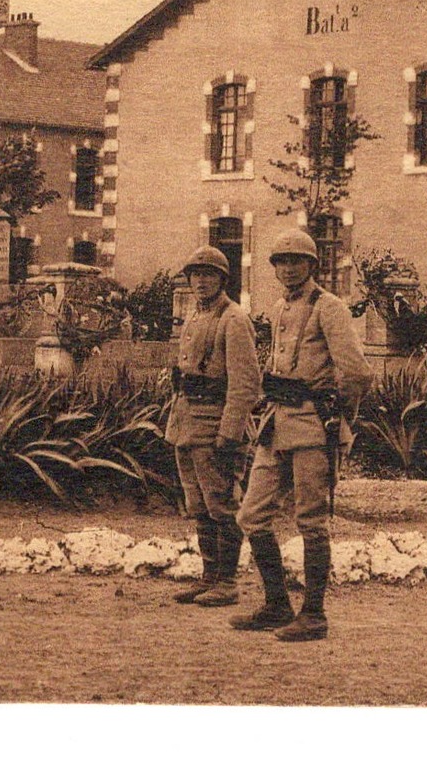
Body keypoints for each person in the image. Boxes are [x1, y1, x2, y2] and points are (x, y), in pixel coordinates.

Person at [230, 227, 370, 641]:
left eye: (297, 261)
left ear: (312, 265)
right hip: (276, 424)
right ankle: (276, 604)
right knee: (252, 514)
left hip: (312, 426)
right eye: (281, 261)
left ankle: (314, 614)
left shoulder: (329, 308)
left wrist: (337, 416)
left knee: (310, 521)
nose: (289, 268)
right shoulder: (278, 310)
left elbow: (358, 372)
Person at [164, 246, 260, 608]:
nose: (201, 281)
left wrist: (230, 432)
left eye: (209, 274)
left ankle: (228, 581)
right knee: (197, 503)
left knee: (221, 502)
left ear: (223, 278)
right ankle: (208, 577)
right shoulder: (195, 315)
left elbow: (245, 382)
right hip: (187, 423)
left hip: (216, 425)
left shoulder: (233, 319)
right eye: (195, 274)